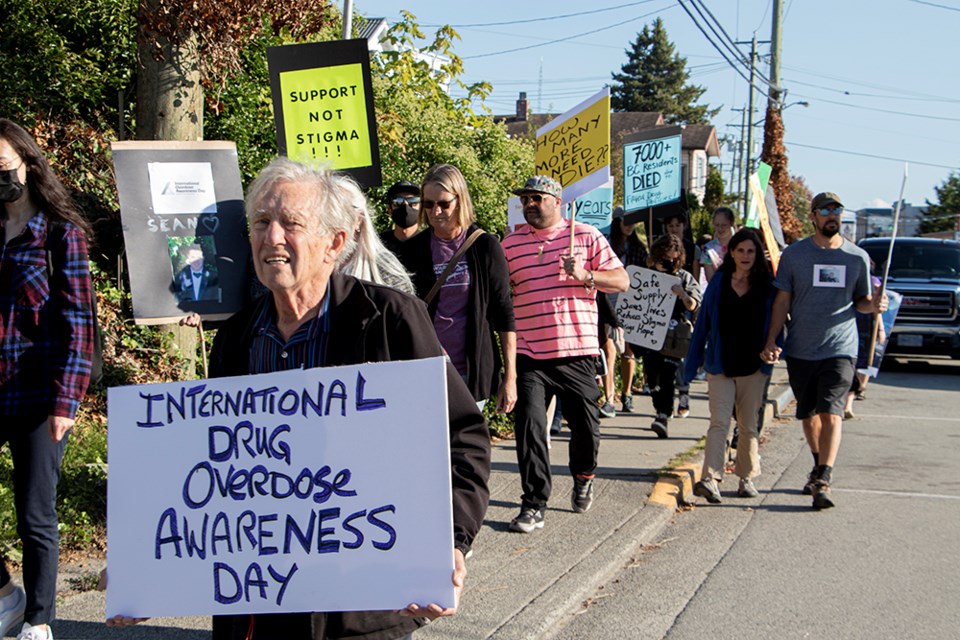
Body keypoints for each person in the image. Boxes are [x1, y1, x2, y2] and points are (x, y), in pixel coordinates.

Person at [176, 158, 489, 639]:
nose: (272, 238)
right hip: (259, 604)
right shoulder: (236, 339)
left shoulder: (389, 320)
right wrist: (148, 565)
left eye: (291, 224)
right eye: (261, 223)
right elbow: (213, 468)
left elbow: (460, 437)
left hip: (360, 603)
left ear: (335, 244)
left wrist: (450, 540)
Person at [0, 119, 95, 640]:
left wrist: (67, 401)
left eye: (3, 170)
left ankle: (38, 619)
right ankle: (5, 594)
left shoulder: (61, 235)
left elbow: (80, 325)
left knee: (35, 513)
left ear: (27, 165)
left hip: (41, 394)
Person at [502, 175, 628, 533]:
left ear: (557, 201)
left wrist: (587, 273)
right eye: (525, 198)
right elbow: (501, 294)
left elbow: (621, 281)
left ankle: (584, 476)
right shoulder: (510, 244)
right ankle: (533, 503)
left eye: (537, 197)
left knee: (586, 429)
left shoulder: (585, 236)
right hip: (530, 354)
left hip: (576, 352)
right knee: (530, 429)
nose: (529, 203)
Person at [761, 192, 887, 510]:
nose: (833, 216)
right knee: (808, 414)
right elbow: (783, 301)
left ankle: (824, 477)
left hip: (841, 348)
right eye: (826, 211)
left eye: (837, 211)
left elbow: (860, 300)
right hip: (802, 348)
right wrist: (772, 339)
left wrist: (872, 305)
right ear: (814, 216)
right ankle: (819, 465)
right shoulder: (795, 256)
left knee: (832, 410)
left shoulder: (856, 257)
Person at [399, 164, 516, 411]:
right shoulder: (413, 250)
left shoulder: (484, 246)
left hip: (470, 370)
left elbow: (503, 313)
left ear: (459, 200)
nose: (435, 211)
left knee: (465, 447)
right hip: (426, 368)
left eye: (443, 204)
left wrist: (510, 376)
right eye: (428, 204)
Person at [685, 229, 779, 503]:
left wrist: (773, 348)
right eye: (740, 250)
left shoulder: (767, 285)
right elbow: (703, 324)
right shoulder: (719, 283)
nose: (745, 256)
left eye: (751, 251)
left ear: (757, 254)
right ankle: (710, 478)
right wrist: (692, 365)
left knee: (748, 425)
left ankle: (746, 477)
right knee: (719, 422)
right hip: (720, 363)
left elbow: (777, 322)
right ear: (732, 253)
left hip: (754, 365)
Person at [629, 233, 701, 439]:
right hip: (649, 331)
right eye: (664, 255)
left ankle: (663, 415)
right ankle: (659, 406)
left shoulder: (684, 277)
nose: (668, 260)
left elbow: (694, 304)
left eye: (672, 256)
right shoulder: (647, 272)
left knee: (668, 374)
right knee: (652, 375)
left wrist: (683, 295)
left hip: (673, 335)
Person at [334, 175, 415, 295]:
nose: (333, 217)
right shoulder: (308, 265)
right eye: (326, 210)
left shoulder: (384, 268)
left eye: (343, 210)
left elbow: (404, 309)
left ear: (359, 219)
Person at [607, 207, 648, 413]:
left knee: (628, 350)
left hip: (631, 302)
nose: (630, 226)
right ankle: (609, 395)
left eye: (633, 222)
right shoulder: (607, 244)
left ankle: (628, 392)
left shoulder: (638, 248)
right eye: (626, 222)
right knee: (609, 348)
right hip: (609, 299)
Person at [662, 211, 700, 418]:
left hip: (681, 312)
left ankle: (683, 394)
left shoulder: (691, 250)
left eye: (677, 224)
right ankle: (663, 404)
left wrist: (687, 297)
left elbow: (694, 280)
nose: (674, 228)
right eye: (670, 225)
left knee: (679, 356)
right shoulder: (659, 253)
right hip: (659, 314)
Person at [379, 180, 421, 255]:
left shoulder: (432, 244)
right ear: (390, 210)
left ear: (422, 209)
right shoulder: (378, 244)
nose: (405, 205)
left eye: (413, 201)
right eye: (398, 202)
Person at [700, 206, 737, 282]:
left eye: (724, 225)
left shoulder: (740, 245)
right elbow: (711, 280)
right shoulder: (708, 249)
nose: (720, 229)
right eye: (717, 225)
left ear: (731, 223)